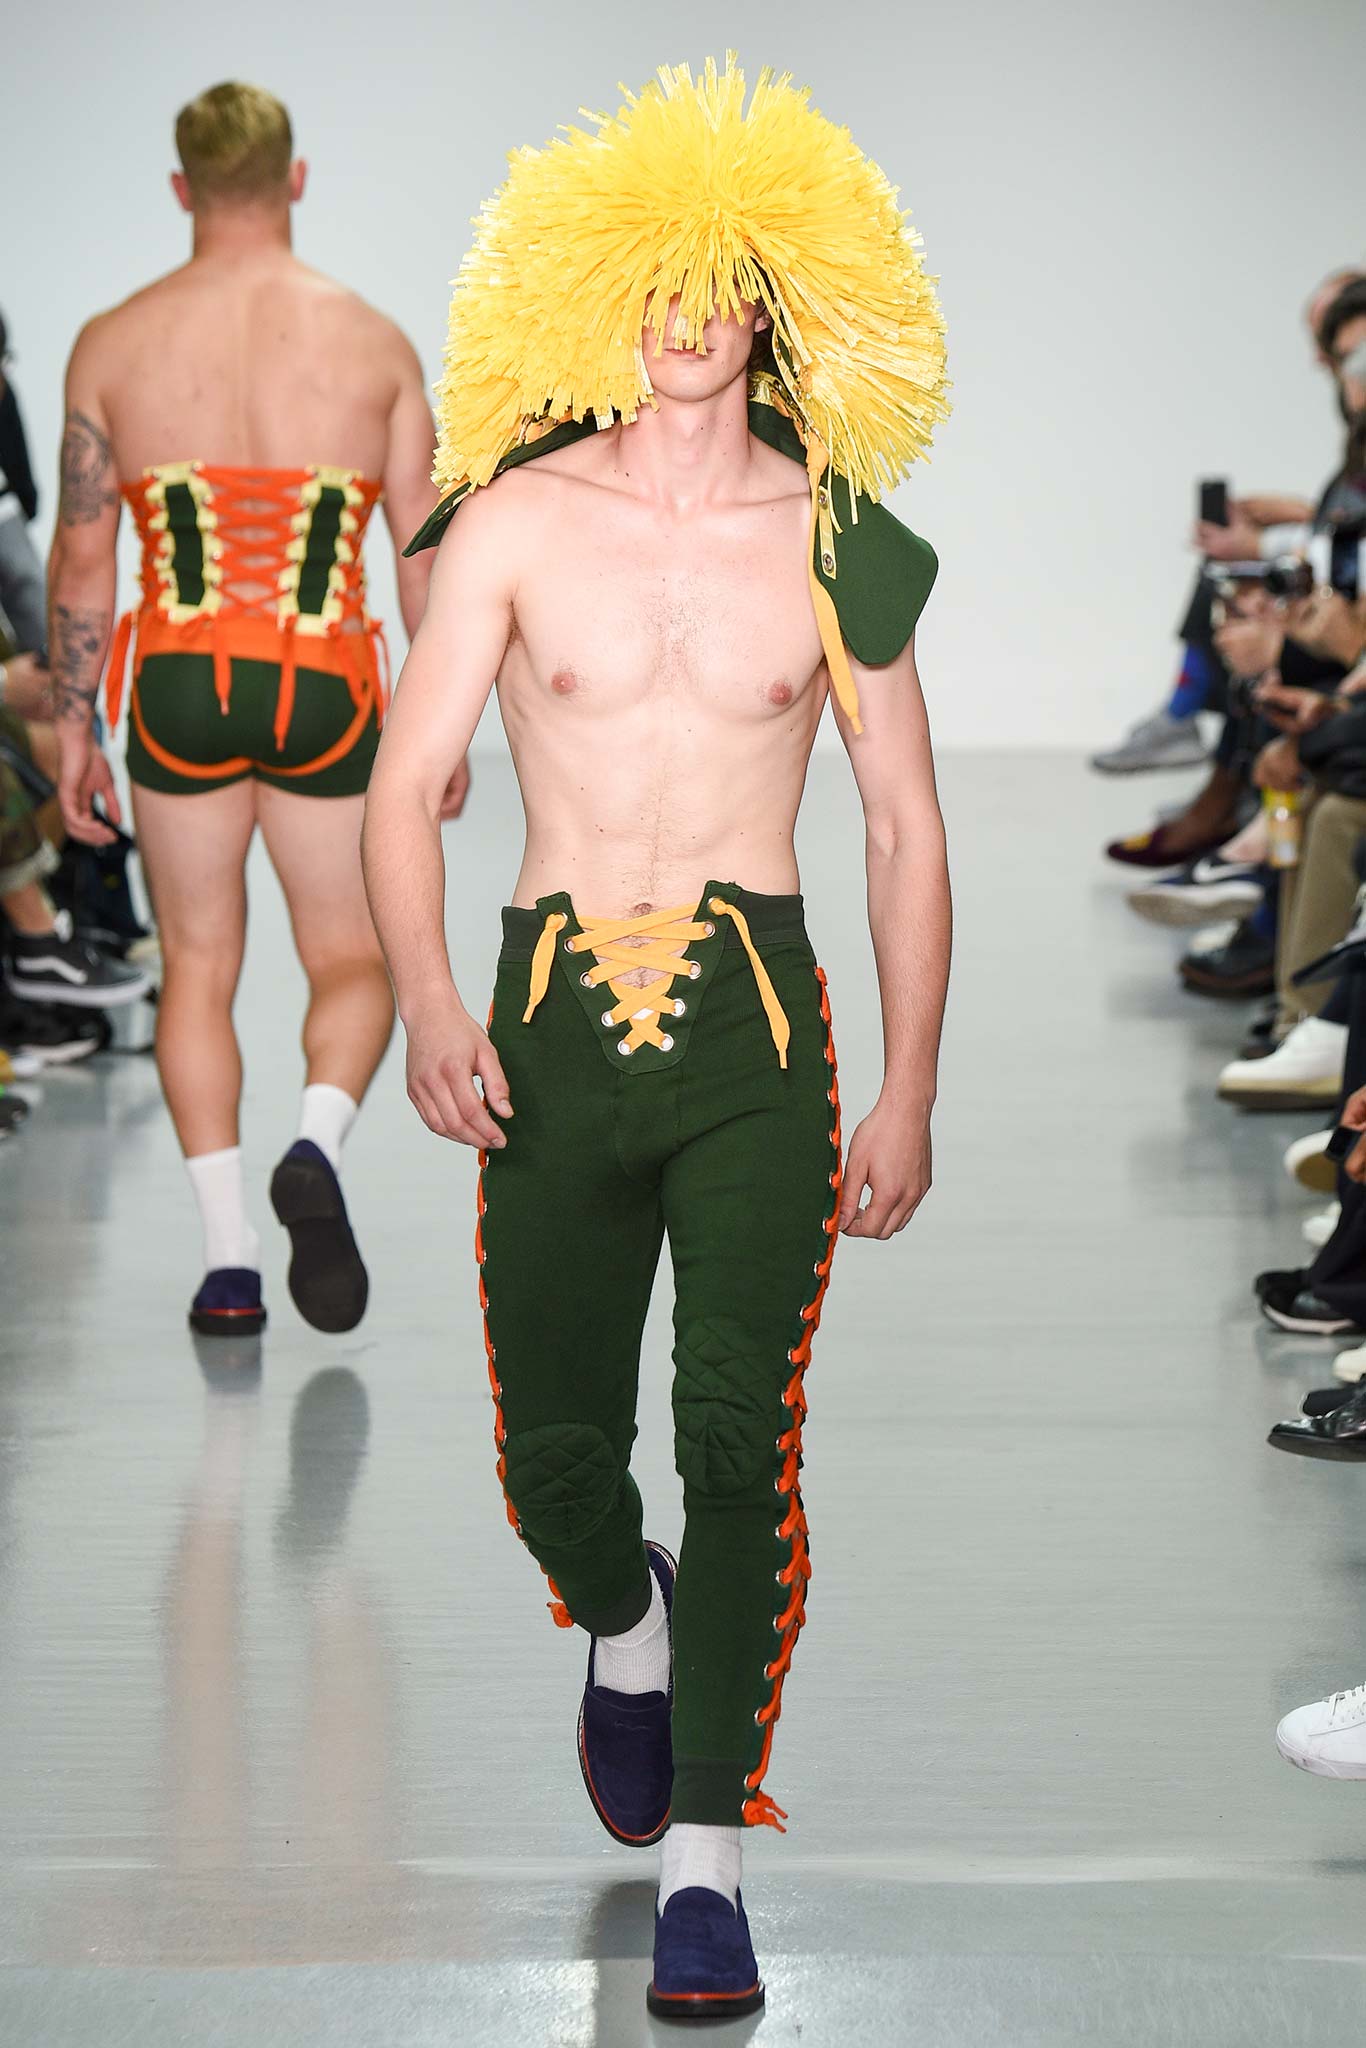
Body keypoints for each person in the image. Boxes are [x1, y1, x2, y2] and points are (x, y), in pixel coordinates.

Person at [362, 58, 952, 2022]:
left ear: (766, 298)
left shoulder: (835, 530)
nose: (685, 312)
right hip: (545, 1023)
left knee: (732, 1428)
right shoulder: (515, 517)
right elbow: (404, 779)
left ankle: (707, 1853)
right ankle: (625, 1618)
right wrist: (428, 997)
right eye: (655, 272)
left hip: (753, 1033)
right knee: (553, 1458)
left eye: (721, 277)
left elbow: (900, 822)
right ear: (601, 284)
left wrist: (910, 1080)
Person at [48, 80, 459, 1337]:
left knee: (198, 966)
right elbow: (424, 555)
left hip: (176, 683)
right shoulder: (373, 343)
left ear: (182, 187)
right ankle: (315, 1144)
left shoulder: (112, 343)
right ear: (296, 178)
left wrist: (71, 724)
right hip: (325, 682)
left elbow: (83, 555)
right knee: (353, 961)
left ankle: (228, 1264)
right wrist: (439, 722)